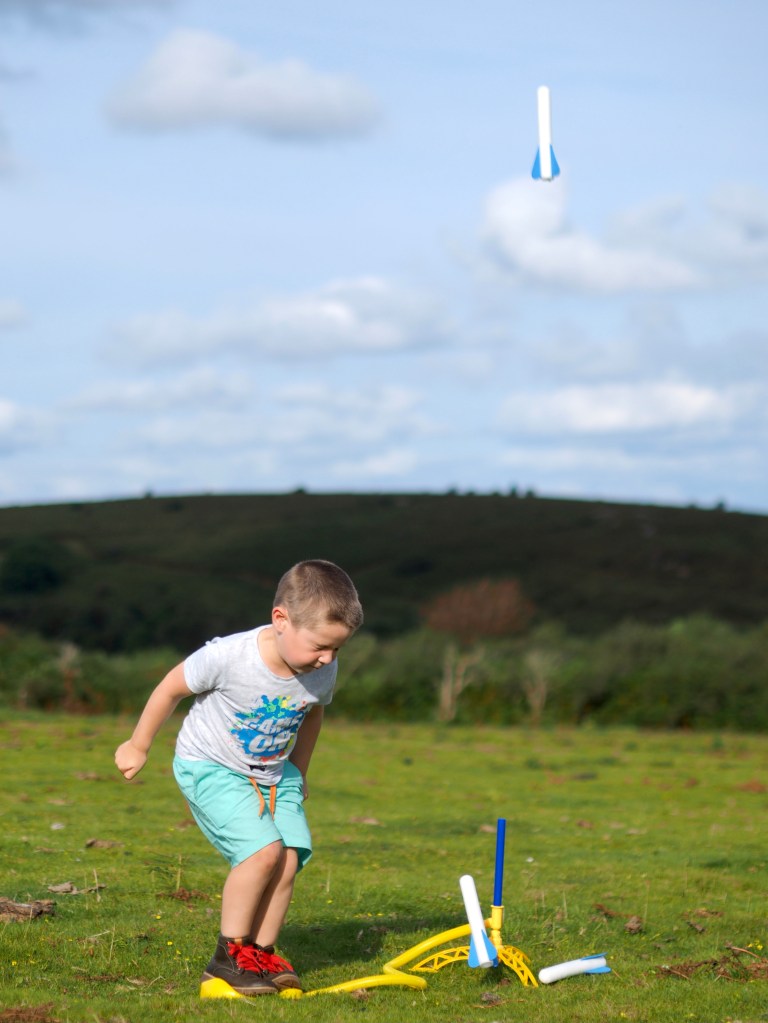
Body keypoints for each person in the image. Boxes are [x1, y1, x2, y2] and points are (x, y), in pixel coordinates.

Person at [114, 559, 363, 997]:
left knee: (289, 857)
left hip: (275, 772)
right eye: (321, 646)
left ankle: (260, 955)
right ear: (281, 620)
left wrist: (300, 770)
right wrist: (138, 744)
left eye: (337, 649)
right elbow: (170, 687)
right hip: (211, 766)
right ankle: (226, 960)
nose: (328, 658)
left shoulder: (321, 667)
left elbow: (312, 714)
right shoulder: (229, 656)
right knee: (262, 853)